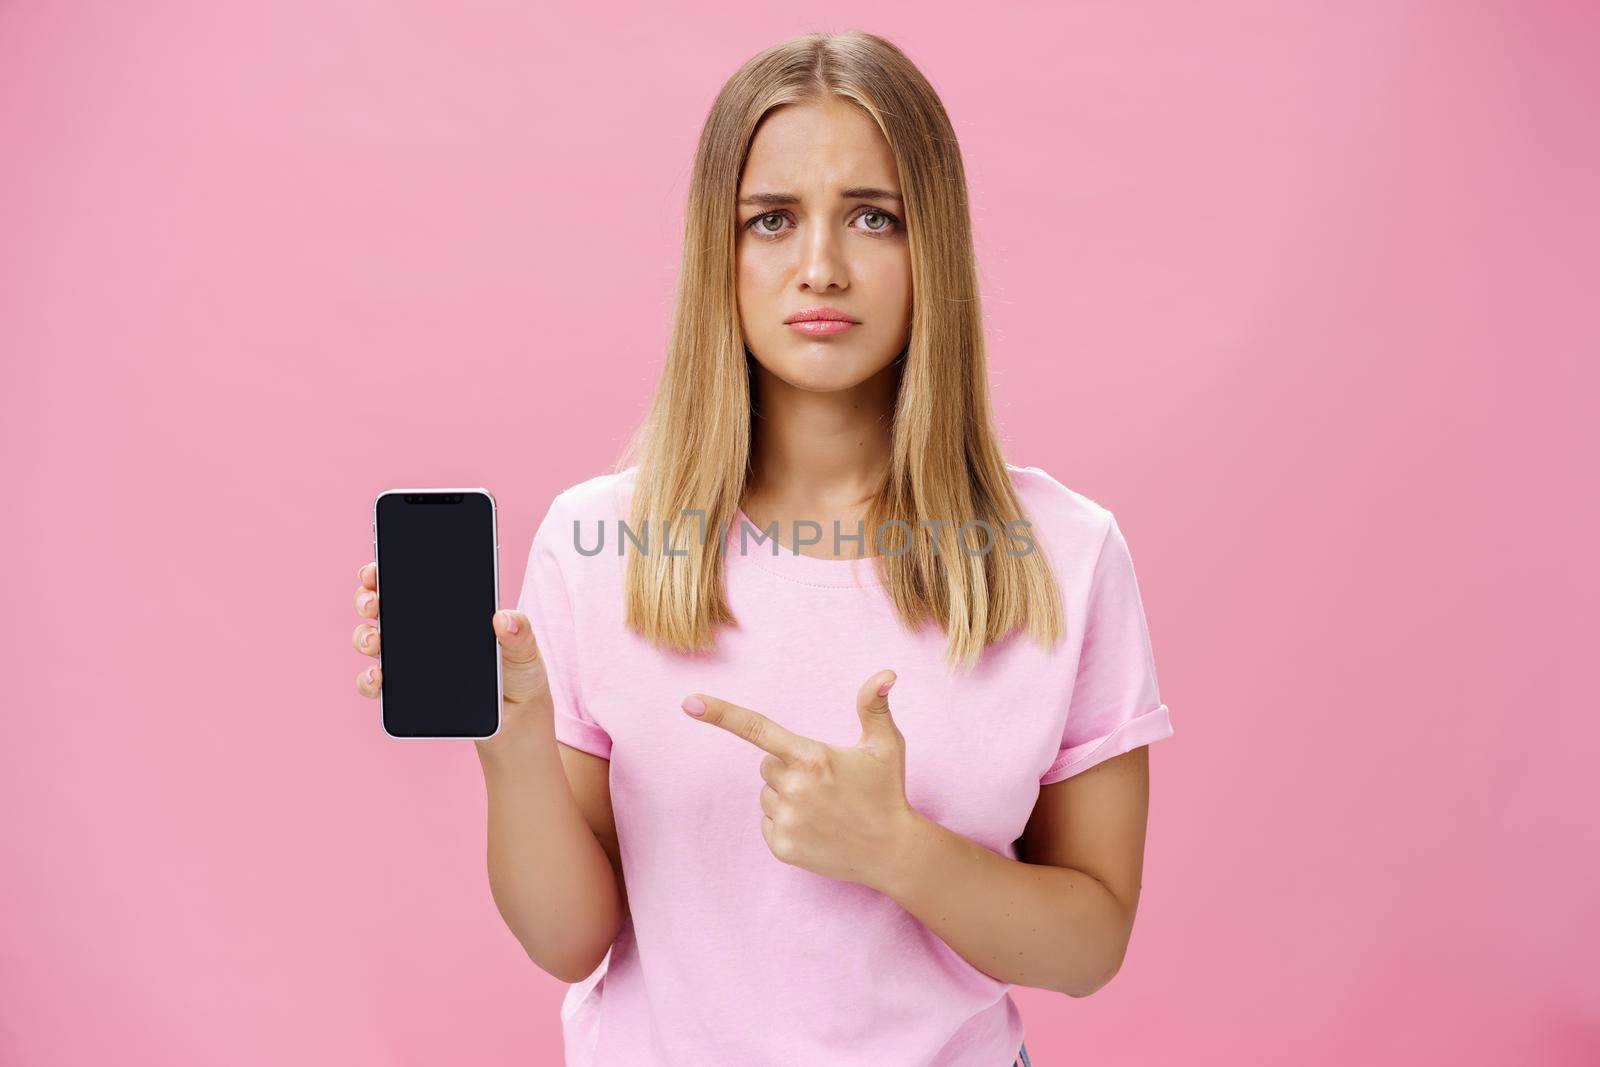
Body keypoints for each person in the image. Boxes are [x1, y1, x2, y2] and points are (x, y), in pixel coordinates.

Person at [352, 30, 1172, 1067]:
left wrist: (898, 851)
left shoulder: (1063, 553)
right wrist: (512, 746)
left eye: (872, 217)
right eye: (772, 220)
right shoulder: (598, 543)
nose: (819, 267)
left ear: (934, 251)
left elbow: (1090, 943)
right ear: (718, 252)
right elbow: (568, 940)